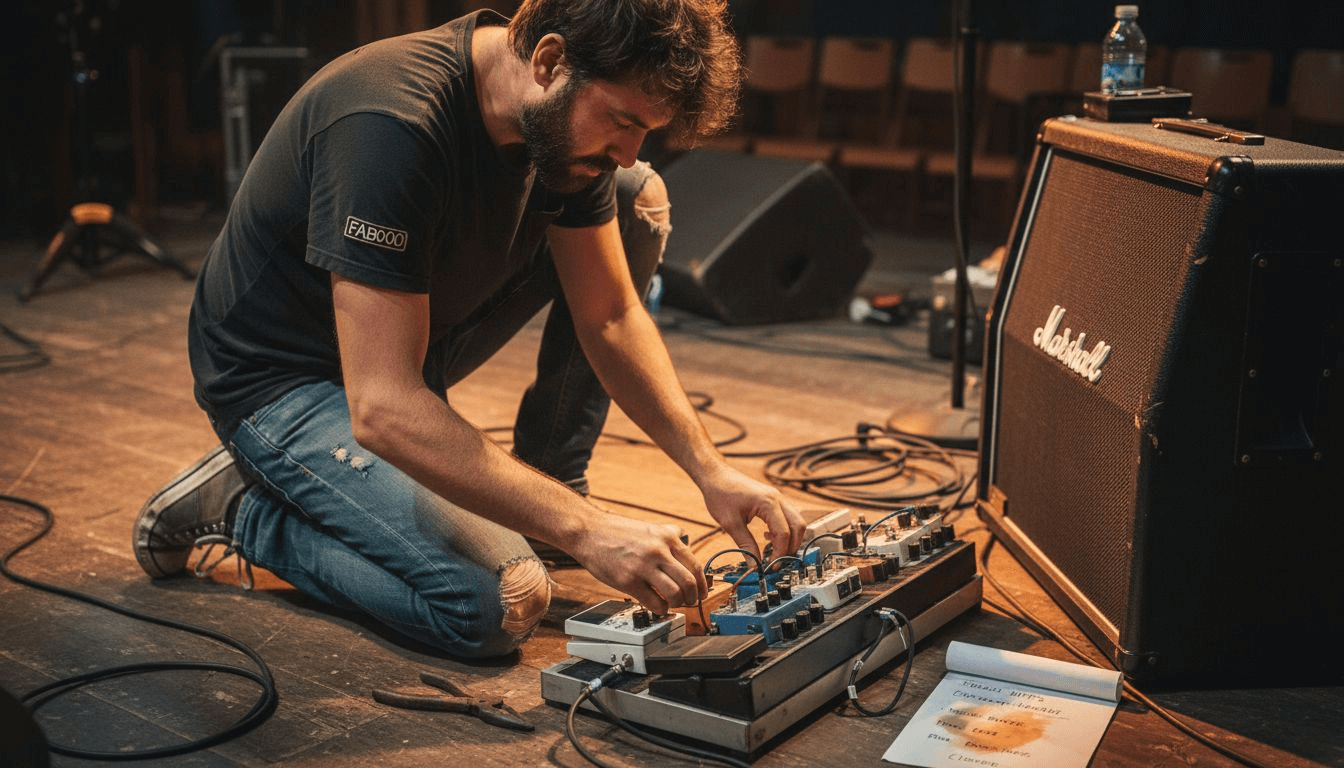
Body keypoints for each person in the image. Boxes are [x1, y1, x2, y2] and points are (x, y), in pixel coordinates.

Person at [132, 0, 805, 659]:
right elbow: (384, 406)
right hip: (282, 382)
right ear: (549, 59)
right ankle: (249, 511)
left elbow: (610, 315)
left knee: (637, 199)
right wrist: (594, 532)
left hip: (404, 355)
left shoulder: (562, 128)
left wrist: (709, 470)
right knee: (499, 603)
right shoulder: (390, 121)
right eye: (624, 122)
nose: (629, 151)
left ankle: (550, 492)